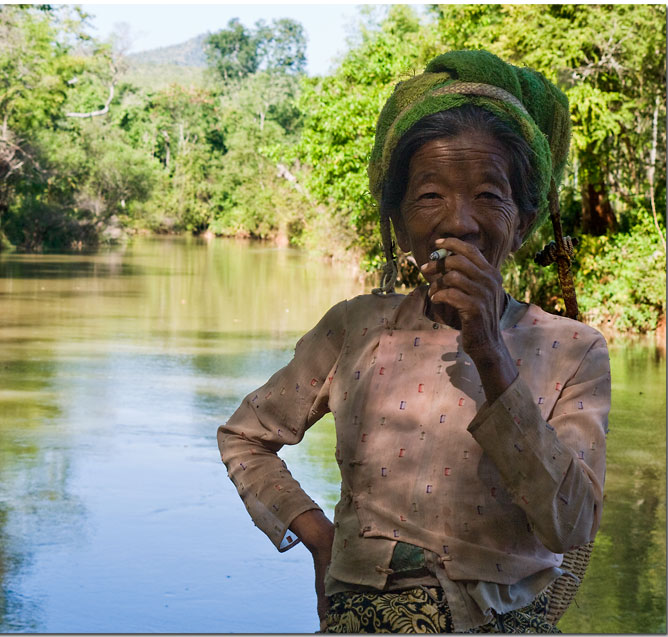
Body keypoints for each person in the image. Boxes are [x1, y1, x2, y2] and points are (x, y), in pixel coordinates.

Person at [217, 50, 609, 633]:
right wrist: (320, 538)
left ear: (522, 223)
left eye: (487, 195)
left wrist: (491, 353)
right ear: (399, 221)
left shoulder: (574, 350)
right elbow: (244, 439)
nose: (460, 221)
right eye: (430, 196)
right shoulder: (355, 327)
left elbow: (570, 526)